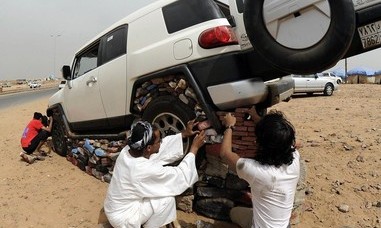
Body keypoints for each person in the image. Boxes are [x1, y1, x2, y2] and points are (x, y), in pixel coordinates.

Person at [104, 120, 206, 228]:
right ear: (148, 148)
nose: (161, 142)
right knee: (166, 199)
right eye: (159, 140)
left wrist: (183, 134)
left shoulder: (128, 151)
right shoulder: (142, 170)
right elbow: (180, 175)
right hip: (124, 218)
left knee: (156, 184)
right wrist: (194, 148)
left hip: (113, 208)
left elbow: (158, 150)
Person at [220, 107, 300, 228]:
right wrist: (256, 117)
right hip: (284, 226)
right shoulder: (294, 159)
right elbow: (284, 141)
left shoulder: (256, 171)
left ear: (258, 143)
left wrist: (229, 126)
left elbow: (224, 154)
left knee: (234, 212)